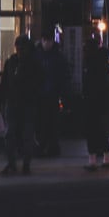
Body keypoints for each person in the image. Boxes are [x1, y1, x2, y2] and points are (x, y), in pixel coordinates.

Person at [0, 34, 44, 174]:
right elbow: (5, 82)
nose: (19, 51)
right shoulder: (11, 62)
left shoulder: (33, 63)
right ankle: (12, 162)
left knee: (27, 135)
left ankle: (25, 163)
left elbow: (39, 83)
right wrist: (1, 100)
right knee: (10, 134)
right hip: (13, 102)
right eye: (17, 48)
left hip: (27, 103)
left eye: (22, 48)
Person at [82, 36, 109, 171]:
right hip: (102, 102)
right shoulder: (103, 64)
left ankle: (93, 160)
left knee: (91, 131)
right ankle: (106, 157)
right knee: (101, 130)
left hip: (92, 101)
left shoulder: (89, 64)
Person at [35, 24, 70, 158]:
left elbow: (64, 75)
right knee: (43, 122)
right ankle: (46, 145)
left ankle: (50, 146)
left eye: (48, 39)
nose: (46, 42)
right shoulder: (40, 55)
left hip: (51, 94)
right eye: (45, 39)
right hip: (42, 94)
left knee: (51, 122)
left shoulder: (56, 56)